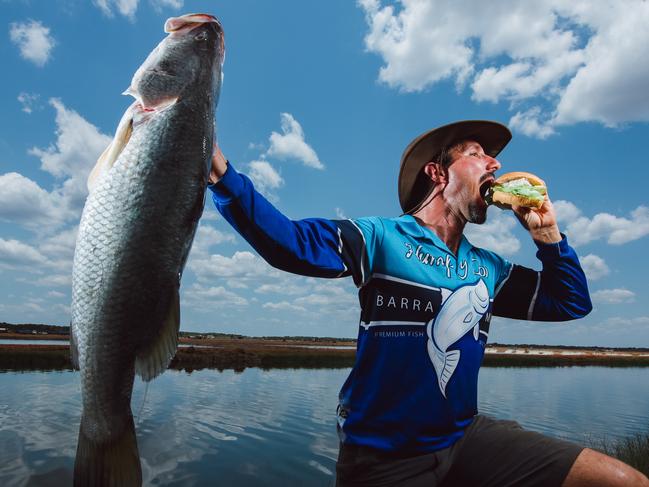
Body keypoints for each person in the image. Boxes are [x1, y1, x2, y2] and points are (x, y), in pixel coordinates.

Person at [207, 120, 648, 486]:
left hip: (466, 438)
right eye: (476, 153)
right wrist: (221, 174)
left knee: (623, 481)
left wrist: (547, 234)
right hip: (383, 458)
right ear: (438, 174)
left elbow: (570, 301)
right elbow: (289, 243)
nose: (495, 163)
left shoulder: (488, 268)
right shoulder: (380, 237)